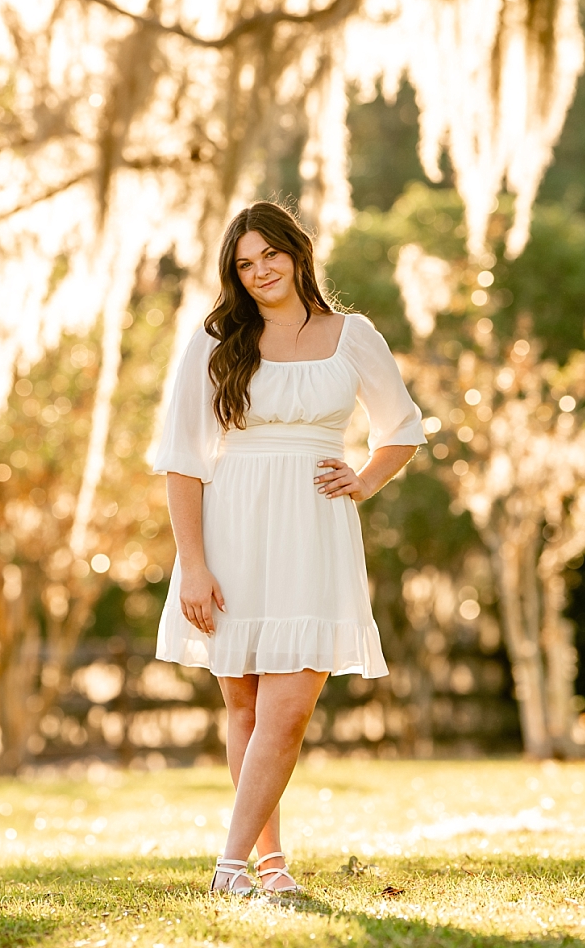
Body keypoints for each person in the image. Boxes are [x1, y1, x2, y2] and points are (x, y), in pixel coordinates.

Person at [152, 201, 425, 895]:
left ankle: (227, 865)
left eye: (269, 254)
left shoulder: (354, 334)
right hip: (231, 526)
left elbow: (403, 426)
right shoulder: (217, 341)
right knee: (242, 706)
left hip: (314, 531)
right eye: (244, 264)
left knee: (290, 705)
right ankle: (267, 866)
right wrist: (193, 563)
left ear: (297, 251)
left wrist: (362, 479)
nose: (260, 270)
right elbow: (182, 458)